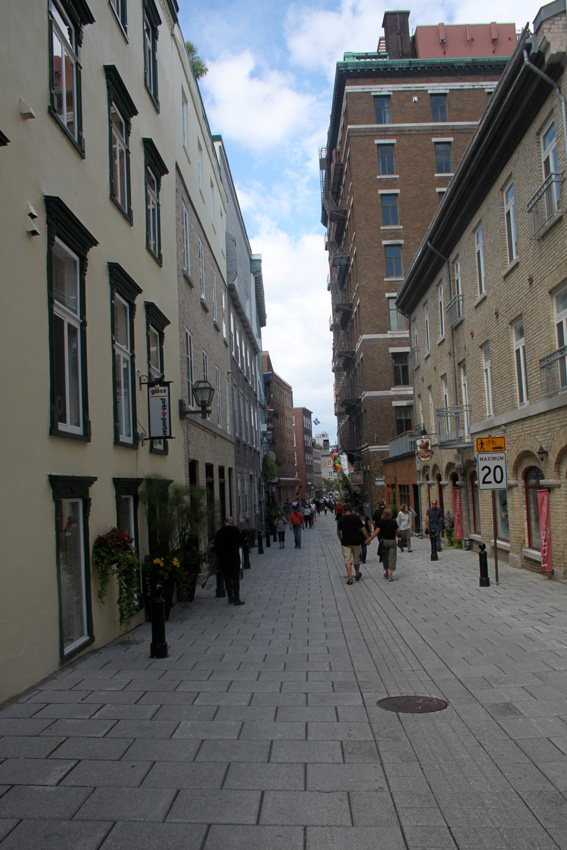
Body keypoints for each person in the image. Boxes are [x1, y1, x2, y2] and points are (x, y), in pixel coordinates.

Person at [337, 503, 376, 585]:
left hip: (346, 542)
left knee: (347, 560)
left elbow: (338, 531)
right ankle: (357, 574)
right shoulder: (356, 517)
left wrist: (340, 538)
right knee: (356, 559)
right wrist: (368, 538)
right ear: (351, 509)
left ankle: (350, 578)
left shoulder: (341, 519)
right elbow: (363, 528)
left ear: (344, 510)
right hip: (356, 541)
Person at [214, 517, 245, 605]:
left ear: (224, 523)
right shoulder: (235, 530)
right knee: (235, 579)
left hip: (224, 559)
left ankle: (230, 598)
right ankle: (236, 599)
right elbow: (241, 541)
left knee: (227, 579)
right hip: (234, 558)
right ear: (232, 523)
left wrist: (219, 557)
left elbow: (216, 547)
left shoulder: (220, 532)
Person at [374, 508, 399, 581]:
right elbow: (397, 532)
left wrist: (369, 539)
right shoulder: (394, 522)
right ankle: (390, 575)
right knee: (392, 558)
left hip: (384, 541)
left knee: (385, 557)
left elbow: (376, 532)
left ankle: (387, 572)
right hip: (392, 541)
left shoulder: (381, 522)